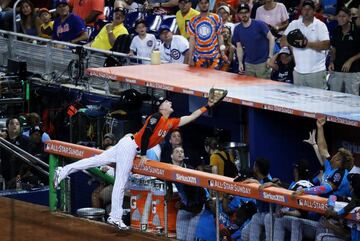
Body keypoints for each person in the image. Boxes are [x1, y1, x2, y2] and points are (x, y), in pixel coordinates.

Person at [54, 96, 219, 230]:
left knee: (94, 161)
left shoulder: (170, 123)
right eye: (167, 102)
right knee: (121, 180)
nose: (169, 103)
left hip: (130, 145)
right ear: (162, 108)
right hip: (131, 146)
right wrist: (145, 154)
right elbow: (147, 134)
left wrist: (207, 106)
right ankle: (115, 217)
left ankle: (63, 171)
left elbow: (190, 117)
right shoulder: (156, 117)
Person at [281, 0, 330, 89]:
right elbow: (283, 41)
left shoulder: (320, 25)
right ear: (301, 10)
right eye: (304, 9)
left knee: (318, 101)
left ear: (314, 11)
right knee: (299, 101)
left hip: (316, 72)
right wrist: (295, 42)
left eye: (309, 9)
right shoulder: (294, 24)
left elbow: (326, 45)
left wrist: (306, 43)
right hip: (298, 72)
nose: (306, 12)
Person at [232, 3, 274, 78]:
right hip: (248, 64)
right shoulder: (237, 29)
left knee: (264, 88)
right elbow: (239, 47)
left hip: (263, 63)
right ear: (238, 14)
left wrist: (270, 57)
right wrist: (240, 63)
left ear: (249, 13)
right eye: (241, 13)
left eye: (246, 12)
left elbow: (271, 38)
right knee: (250, 88)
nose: (244, 14)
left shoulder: (259, 24)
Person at [328, 7, 360, 95]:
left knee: (352, 101)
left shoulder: (357, 31)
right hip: (337, 70)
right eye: (339, 16)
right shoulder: (336, 30)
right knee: (334, 98)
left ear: (349, 17)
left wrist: (350, 60)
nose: (341, 18)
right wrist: (331, 62)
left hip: (353, 72)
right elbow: (333, 48)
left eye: (344, 16)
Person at [187, 0, 227, 69]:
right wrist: (190, 58)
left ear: (209, 4)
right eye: (201, 3)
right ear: (198, 5)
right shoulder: (193, 20)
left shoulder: (217, 18)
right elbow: (192, 40)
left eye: (206, 3)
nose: (204, 5)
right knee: (199, 79)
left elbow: (220, 37)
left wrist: (223, 54)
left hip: (214, 57)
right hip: (199, 58)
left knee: (214, 79)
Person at [0, 116, 30, 188]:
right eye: (12, 124)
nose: (14, 126)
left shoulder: (25, 140)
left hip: (20, 175)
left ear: (20, 127)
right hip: (5, 175)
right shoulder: (3, 140)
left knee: (18, 191)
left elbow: (29, 157)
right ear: (7, 127)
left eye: (17, 124)